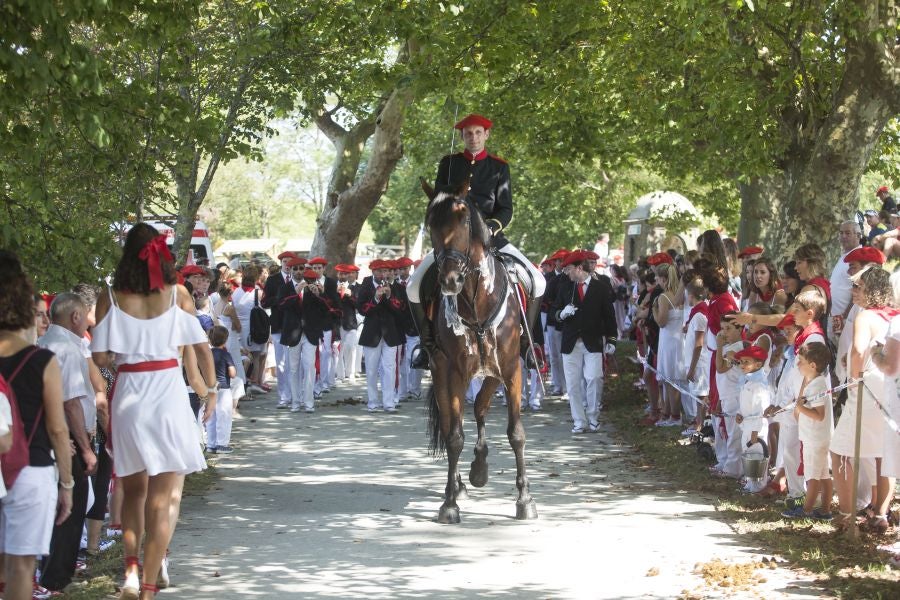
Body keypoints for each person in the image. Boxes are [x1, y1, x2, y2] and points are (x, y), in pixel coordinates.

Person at [90, 223, 217, 599]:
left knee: (133, 493)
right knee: (164, 500)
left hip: (130, 394)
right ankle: (148, 585)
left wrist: (124, 361)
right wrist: (210, 391)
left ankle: (130, 571)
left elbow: (99, 357)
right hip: (167, 394)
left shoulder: (110, 297)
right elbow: (202, 345)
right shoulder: (177, 294)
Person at [406, 113, 545, 370]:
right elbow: (438, 202)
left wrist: (491, 227)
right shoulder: (448, 163)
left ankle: (527, 344)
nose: (473, 138)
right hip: (454, 240)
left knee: (537, 280)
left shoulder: (499, 166)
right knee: (413, 286)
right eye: (468, 133)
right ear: (462, 136)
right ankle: (427, 345)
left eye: (478, 133)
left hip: (491, 238)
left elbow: (506, 208)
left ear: (486, 135)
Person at [0, 250, 73, 600]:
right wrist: (68, 483)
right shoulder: (40, 360)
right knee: (20, 568)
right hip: (30, 468)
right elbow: (58, 430)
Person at [36, 293, 97, 591]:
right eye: (86, 314)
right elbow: (71, 402)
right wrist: (85, 447)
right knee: (70, 507)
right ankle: (57, 578)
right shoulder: (67, 349)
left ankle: (50, 574)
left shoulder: (45, 343)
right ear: (75, 316)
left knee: (60, 507)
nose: (88, 320)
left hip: (51, 432)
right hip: (68, 435)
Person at [830, 266, 897, 530]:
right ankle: (880, 515)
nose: (853, 291)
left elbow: (858, 350)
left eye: (858, 286)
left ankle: (847, 516)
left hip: (867, 386)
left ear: (872, 289)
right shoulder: (896, 315)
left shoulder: (865, 316)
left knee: (840, 452)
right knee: (883, 454)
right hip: (891, 389)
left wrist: (853, 375)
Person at [553, 251, 617, 433]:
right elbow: (554, 312)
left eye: (569, 269)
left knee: (594, 378)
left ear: (579, 268)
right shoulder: (565, 287)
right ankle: (579, 421)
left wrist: (612, 339)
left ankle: (593, 416)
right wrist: (561, 314)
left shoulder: (601, 287)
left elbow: (609, 317)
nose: (566, 273)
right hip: (571, 342)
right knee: (573, 384)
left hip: (593, 340)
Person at [782, 342, 834, 520]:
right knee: (823, 475)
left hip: (815, 438)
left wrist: (800, 407)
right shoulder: (815, 383)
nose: (797, 365)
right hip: (816, 437)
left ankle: (806, 509)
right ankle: (825, 510)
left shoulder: (817, 386)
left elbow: (819, 415)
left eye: (801, 361)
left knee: (812, 477)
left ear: (812, 365)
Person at [358, 260, 406, 413]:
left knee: (390, 368)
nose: (382, 274)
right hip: (372, 334)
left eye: (385, 271)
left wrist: (390, 296)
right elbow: (362, 309)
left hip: (391, 333)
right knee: (371, 370)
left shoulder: (397, 287)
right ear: (372, 271)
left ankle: (389, 402)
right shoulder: (365, 285)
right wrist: (376, 299)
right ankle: (372, 401)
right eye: (379, 271)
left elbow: (402, 309)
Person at [710, 316, 745, 479]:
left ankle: (733, 468)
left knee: (734, 433)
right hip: (725, 394)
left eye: (729, 328)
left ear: (740, 329)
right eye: (723, 328)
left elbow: (720, 368)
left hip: (734, 395)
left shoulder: (736, 349)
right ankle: (726, 462)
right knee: (726, 431)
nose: (724, 333)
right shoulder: (727, 347)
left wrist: (718, 346)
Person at [262, 252, 297, 408]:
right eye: (285, 261)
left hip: (296, 326)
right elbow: (264, 302)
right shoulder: (272, 280)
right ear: (281, 263)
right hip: (278, 326)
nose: (288, 264)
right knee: (281, 363)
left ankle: (298, 394)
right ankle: (284, 396)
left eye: (290, 262)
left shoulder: (300, 279)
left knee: (296, 363)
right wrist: (280, 298)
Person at [650, 257, 683, 427]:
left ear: (663, 279)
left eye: (657, 278)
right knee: (672, 378)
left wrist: (654, 310)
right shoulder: (680, 295)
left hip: (669, 340)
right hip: (678, 340)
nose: (656, 281)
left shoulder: (664, 297)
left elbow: (661, 321)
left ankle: (675, 415)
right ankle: (670, 414)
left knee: (670, 380)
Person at [734, 344, 771, 493]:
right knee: (748, 454)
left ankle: (759, 486)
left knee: (757, 455)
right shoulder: (746, 381)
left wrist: (756, 431)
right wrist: (739, 414)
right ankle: (750, 484)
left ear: (758, 364)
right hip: (746, 424)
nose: (742, 365)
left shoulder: (759, 385)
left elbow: (761, 410)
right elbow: (744, 403)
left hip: (757, 427)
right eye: (741, 362)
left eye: (746, 362)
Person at [682, 273, 710, 436]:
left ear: (691, 295)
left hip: (699, 363)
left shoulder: (699, 315)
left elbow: (699, 344)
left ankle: (700, 426)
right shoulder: (696, 313)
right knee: (698, 395)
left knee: (701, 397)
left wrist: (692, 368)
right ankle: (699, 425)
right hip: (695, 362)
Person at [205, 326, 236, 455]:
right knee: (224, 417)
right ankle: (222, 444)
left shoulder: (207, 354)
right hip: (224, 389)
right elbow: (232, 373)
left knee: (210, 417)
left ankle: (210, 444)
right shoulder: (226, 355)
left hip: (210, 388)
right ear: (225, 340)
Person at [830, 221, 863, 339]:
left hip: (846, 319)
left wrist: (845, 316)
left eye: (848, 233)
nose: (843, 236)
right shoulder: (844, 255)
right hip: (835, 317)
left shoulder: (860, 256)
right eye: (841, 233)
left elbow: (858, 288)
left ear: (858, 235)